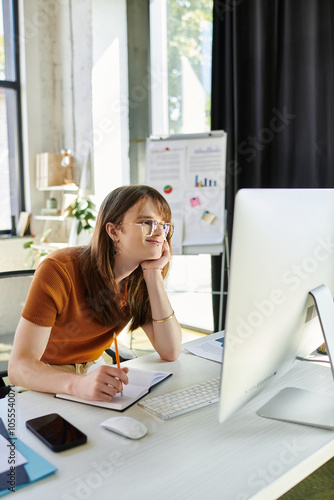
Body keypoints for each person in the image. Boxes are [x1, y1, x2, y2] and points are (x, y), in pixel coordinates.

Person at [9, 185, 182, 402]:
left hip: (93, 374)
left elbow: (170, 351)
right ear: (113, 231)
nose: (159, 232)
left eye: (164, 225)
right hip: (44, 380)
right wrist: (78, 384)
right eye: (147, 222)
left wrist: (154, 273)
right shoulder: (59, 269)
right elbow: (18, 367)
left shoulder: (141, 277)